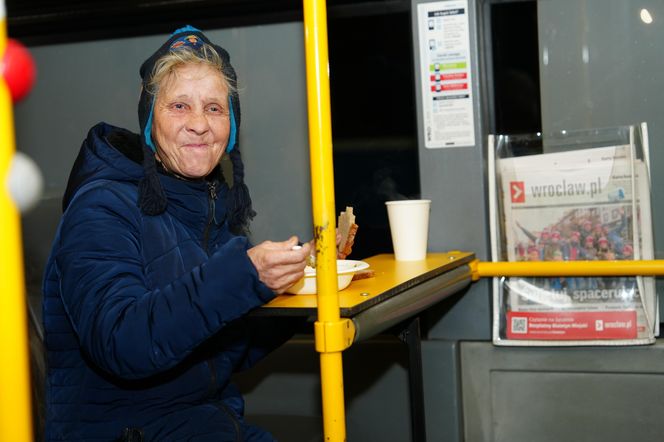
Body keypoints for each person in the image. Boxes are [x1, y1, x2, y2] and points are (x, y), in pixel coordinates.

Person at [42, 26, 315, 441]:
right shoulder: (100, 206)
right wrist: (242, 277)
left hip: (205, 424)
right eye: (179, 106)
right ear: (150, 118)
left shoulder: (206, 207)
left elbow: (221, 353)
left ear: (233, 125)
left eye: (214, 109)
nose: (199, 125)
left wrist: (291, 287)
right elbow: (123, 342)